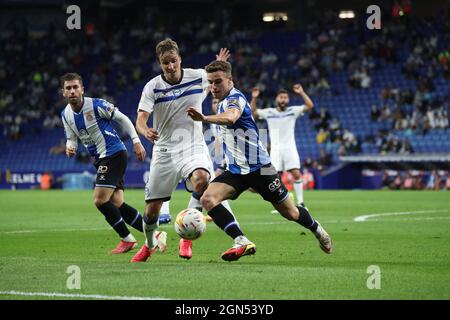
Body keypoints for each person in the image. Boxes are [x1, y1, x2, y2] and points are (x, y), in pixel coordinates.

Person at [187, 60, 333, 261]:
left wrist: (204, 118)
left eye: (218, 82)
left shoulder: (235, 98)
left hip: (260, 168)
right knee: (207, 199)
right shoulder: (220, 98)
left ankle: (318, 231)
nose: (213, 87)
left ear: (230, 80)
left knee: (290, 213)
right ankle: (241, 240)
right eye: (210, 82)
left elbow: (231, 117)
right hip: (237, 171)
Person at [131, 39, 234, 262]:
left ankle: (186, 237)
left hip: (192, 145)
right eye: (165, 63)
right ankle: (148, 244)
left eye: (174, 61)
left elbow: (218, 78)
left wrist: (220, 65)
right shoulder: (152, 87)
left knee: (201, 181)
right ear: (160, 63)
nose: (170, 66)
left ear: (180, 59)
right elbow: (140, 119)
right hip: (164, 150)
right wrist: (144, 131)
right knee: (151, 211)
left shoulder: (197, 77)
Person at [60, 73, 158, 255]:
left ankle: (127, 239)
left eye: (75, 87)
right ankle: (156, 235)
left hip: (113, 153)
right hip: (100, 158)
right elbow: (71, 137)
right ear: (63, 92)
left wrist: (136, 141)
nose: (72, 91)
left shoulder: (96, 105)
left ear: (82, 89)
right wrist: (70, 146)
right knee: (117, 202)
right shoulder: (66, 115)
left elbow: (123, 119)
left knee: (99, 199)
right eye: (68, 88)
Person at [250, 85, 314, 208]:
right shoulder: (269, 112)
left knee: (296, 174)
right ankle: (280, 203)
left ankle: (300, 203)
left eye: (285, 97)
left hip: (290, 148)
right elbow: (253, 113)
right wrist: (254, 98)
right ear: (277, 99)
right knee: (271, 177)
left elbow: (310, 105)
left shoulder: (293, 111)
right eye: (281, 97)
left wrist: (301, 92)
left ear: (288, 100)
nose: (283, 99)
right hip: (275, 149)